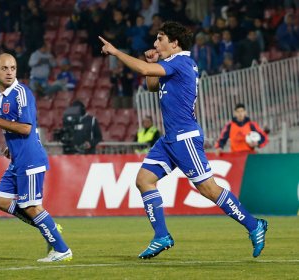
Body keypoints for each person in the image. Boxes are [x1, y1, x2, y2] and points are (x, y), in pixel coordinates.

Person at [99, 21, 268, 260]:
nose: (156, 43)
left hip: (185, 137)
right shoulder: (171, 64)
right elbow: (151, 86)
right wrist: (151, 62)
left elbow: (147, 74)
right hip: (170, 139)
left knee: (208, 189)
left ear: (174, 43)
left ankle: (254, 225)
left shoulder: (181, 62)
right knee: (144, 180)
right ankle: (161, 236)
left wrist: (116, 53)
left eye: (160, 39)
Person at [0, 53, 72, 262]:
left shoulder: (21, 93)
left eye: (13, 68)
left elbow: (26, 127)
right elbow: (14, 128)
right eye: (4, 68)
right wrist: (10, 146)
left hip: (30, 159)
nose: (10, 72)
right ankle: (47, 225)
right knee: (2, 201)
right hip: (17, 159)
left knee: (30, 206)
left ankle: (62, 249)